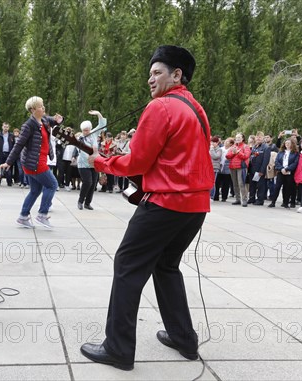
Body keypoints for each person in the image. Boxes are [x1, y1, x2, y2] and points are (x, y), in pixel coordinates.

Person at [80, 45, 214, 370]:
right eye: (150, 73)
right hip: (195, 206)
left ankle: (118, 348)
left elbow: (137, 161)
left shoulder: (161, 107)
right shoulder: (196, 108)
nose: (150, 79)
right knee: (166, 266)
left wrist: (102, 163)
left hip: (166, 203)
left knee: (127, 265)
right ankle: (184, 339)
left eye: (157, 72)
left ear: (177, 74)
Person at [0, 96, 63, 229]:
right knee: (52, 184)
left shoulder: (44, 120)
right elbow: (19, 145)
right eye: (40, 106)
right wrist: (8, 162)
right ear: (33, 110)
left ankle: (23, 217)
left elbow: (52, 120)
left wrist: (58, 120)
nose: (43, 108)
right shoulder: (28, 125)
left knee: (35, 190)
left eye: (43, 105)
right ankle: (42, 214)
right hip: (34, 163)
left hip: (35, 162)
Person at [77, 111, 106, 209]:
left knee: (93, 183)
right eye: (85, 130)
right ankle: (80, 201)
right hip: (83, 163)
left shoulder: (94, 134)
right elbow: (81, 152)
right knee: (87, 182)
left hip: (95, 163)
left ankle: (87, 203)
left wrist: (98, 114)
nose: (87, 132)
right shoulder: (79, 139)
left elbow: (102, 124)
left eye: (88, 130)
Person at [268, 137, 299, 208]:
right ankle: (273, 202)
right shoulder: (281, 152)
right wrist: (281, 169)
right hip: (281, 172)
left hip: (289, 173)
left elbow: (295, 163)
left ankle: (285, 202)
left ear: (292, 144)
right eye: (286, 143)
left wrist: (287, 169)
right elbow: (277, 161)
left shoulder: (295, 153)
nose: (287, 144)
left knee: (287, 188)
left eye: (288, 143)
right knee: (277, 187)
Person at [226, 133, 251, 207]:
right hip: (232, 167)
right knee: (235, 184)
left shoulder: (246, 146)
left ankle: (244, 200)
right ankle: (238, 199)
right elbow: (227, 156)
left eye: (239, 137)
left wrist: (238, 152)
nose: (237, 139)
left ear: (243, 138)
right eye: (236, 137)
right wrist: (234, 153)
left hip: (241, 167)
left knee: (241, 183)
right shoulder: (233, 146)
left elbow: (246, 156)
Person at [247, 132, 271, 205]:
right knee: (252, 185)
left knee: (260, 185)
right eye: (257, 137)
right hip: (252, 169)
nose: (258, 139)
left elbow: (265, 160)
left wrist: (262, 171)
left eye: (260, 137)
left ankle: (260, 200)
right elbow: (252, 157)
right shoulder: (254, 147)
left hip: (259, 169)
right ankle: (252, 198)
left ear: (263, 138)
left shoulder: (266, 147)